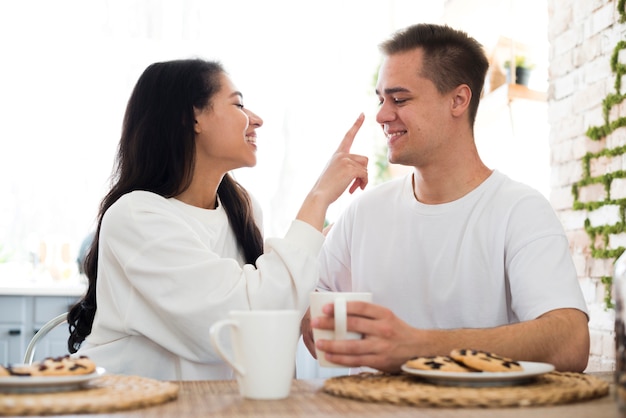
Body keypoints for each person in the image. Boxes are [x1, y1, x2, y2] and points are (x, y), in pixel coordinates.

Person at [302, 23, 590, 373]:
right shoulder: (362, 213)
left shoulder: (520, 211)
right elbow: (309, 314)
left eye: (400, 99)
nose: (381, 115)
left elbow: (570, 343)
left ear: (458, 100)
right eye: (381, 99)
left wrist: (417, 347)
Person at [67, 58, 368, 380]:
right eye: (238, 104)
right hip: (132, 404)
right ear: (191, 117)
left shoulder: (242, 208)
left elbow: (262, 299)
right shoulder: (136, 215)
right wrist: (318, 197)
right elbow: (233, 327)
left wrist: (306, 304)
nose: (257, 120)